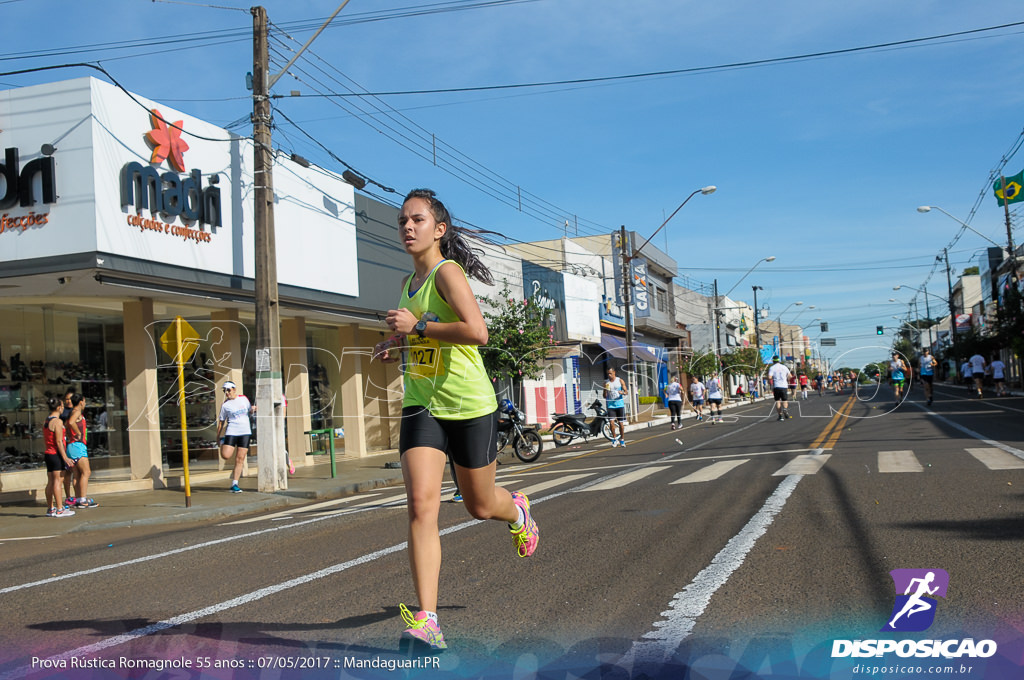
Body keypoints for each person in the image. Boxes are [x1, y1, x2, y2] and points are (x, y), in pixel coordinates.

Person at [371, 188, 538, 652]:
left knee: (479, 505)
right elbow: (423, 340)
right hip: (422, 404)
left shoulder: (446, 273)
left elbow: (477, 332)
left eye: (417, 220)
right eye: (403, 221)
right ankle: (428, 621)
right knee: (421, 506)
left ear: (439, 229)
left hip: (468, 405)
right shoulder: (409, 284)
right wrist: (397, 346)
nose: (407, 227)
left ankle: (517, 510)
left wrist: (418, 327)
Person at [217, 380, 253, 493]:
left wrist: (253, 409)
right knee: (226, 455)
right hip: (232, 431)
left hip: (245, 432)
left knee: (240, 459)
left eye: (229, 390)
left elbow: (249, 410)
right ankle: (224, 442)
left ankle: (235, 484)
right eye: (225, 391)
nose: (227, 393)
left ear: (234, 389)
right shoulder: (225, 405)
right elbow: (221, 421)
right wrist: (218, 436)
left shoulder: (243, 399)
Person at [43, 397, 75, 517]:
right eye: (62, 406)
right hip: (55, 454)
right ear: (59, 407)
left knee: (51, 481)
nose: (63, 408)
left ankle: (51, 508)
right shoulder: (58, 422)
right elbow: (59, 441)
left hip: (48, 454)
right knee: (58, 481)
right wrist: (65, 457)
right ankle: (60, 508)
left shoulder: (47, 420)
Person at [64, 394, 97, 508]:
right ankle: (82, 500)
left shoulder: (70, 413)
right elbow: (71, 422)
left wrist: (70, 434)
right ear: (81, 402)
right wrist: (78, 433)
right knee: (86, 472)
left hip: (72, 446)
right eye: (85, 401)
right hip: (78, 446)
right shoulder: (76, 412)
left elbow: (66, 426)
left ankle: (78, 499)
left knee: (77, 474)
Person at [603, 367, 629, 447]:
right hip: (611, 406)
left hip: (619, 405)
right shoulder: (606, 383)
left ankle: (622, 440)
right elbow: (604, 396)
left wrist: (622, 393)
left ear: (614, 372)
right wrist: (605, 390)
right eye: (608, 374)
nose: (609, 375)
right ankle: (614, 439)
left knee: (621, 424)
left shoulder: (620, 381)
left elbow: (626, 392)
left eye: (610, 373)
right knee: (611, 423)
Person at [767, 356, 792, 421]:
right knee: (785, 400)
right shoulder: (784, 367)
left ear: (773, 361)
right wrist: (786, 379)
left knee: (777, 401)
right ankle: (785, 409)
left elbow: (769, 377)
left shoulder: (772, 368)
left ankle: (780, 416)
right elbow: (790, 376)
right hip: (784, 386)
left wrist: (771, 379)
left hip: (776, 386)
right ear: (779, 361)